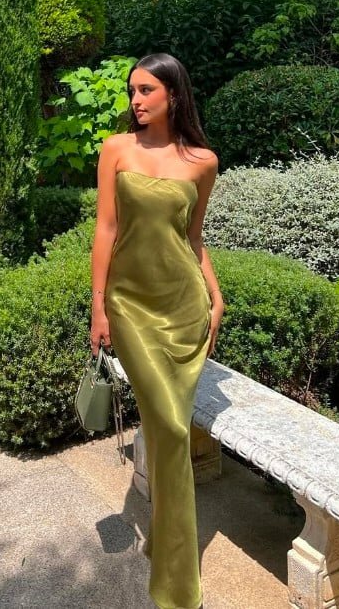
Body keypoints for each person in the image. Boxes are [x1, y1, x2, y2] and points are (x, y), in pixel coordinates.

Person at [90, 52, 225, 609]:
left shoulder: (203, 162)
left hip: (183, 308)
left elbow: (192, 239)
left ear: (174, 94)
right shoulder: (116, 150)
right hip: (130, 306)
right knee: (170, 428)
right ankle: (176, 579)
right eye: (132, 91)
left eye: (146, 90)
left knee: (169, 430)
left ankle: (165, 547)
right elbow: (105, 228)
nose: (136, 100)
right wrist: (98, 306)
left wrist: (215, 295)